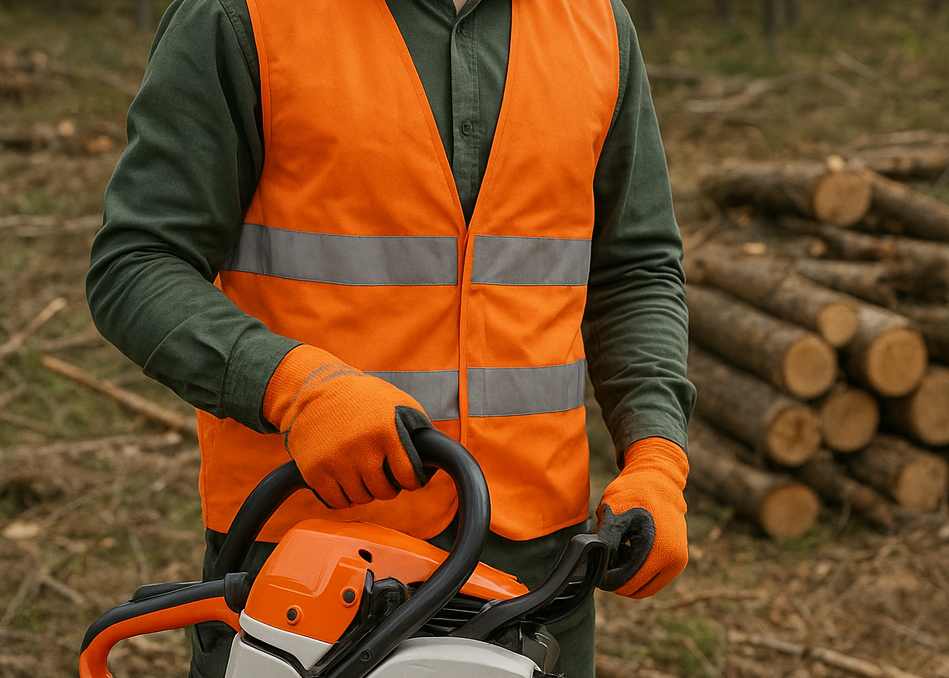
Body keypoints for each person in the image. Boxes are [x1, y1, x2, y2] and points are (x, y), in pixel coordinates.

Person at [85, 0, 696, 676]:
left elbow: (634, 271)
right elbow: (137, 263)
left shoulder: (596, 22)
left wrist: (656, 459)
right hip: (307, 563)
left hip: (537, 570)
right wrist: (296, 389)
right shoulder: (241, 15)